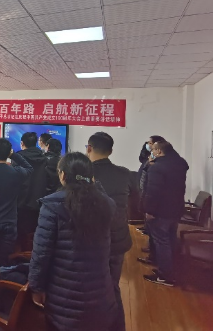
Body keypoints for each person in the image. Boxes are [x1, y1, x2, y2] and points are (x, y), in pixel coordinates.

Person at [29, 152, 117, 330]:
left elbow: (41, 254)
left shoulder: (52, 206)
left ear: (62, 175)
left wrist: (36, 287)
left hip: (64, 296)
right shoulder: (106, 203)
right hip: (101, 291)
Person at [87, 132, 137, 330]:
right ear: (111, 151)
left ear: (89, 148)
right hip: (118, 238)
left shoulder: (84, 174)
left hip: (92, 240)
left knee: (89, 285)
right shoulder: (125, 173)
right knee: (113, 286)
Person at [0, 138, 33, 268]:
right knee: (6, 260)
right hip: (9, 221)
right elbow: (29, 168)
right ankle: (3, 280)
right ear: (9, 153)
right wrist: (13, 155)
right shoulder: (16, 172)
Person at [142, 141, 189, 286]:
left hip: (160, 211)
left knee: (161, 242)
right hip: (175, 209)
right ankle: (170, 269)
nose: (152, 152)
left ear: (159, 151)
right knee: (170, 239)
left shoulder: (157, 168)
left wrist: (149, 211)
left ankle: (165, 275)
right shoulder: (180, 164)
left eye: (154, 149)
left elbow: (153, 192)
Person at [15, 131, 48, 249]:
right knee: (35, 239)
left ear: (22, 143)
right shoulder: (44, 157)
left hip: (21, 203)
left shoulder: (18, 157)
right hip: (39, 203)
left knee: (21, 241)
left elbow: (15, 180)